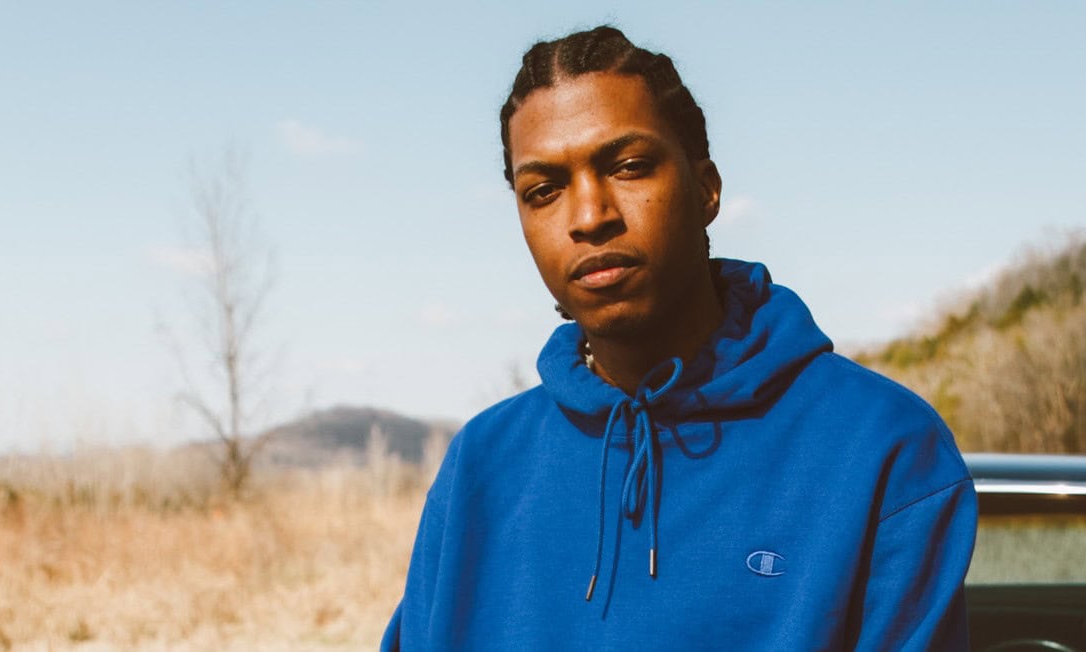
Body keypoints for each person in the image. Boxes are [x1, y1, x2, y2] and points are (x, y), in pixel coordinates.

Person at [382, 25, 976, 651]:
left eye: (628, 167)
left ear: (706, 188)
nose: (589, 216)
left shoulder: (880, 447)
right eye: (544, 191)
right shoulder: (480, 467)